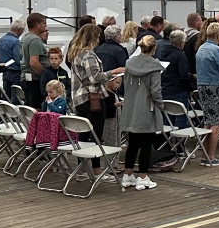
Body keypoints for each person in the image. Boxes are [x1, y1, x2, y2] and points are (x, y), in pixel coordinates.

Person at [67, 24, 124, 183]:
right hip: (93, 99)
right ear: (93, 37)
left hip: (79, 98)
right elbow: (95, 77)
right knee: (96, 136)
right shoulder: (88, 54)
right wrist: (114, 72)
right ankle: (97, 171)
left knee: (83, 136)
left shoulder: (76, 53)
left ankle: (82, 170)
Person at [120, 35, 166, 191]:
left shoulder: (129, 63)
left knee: (132, 142)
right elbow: (156, 91)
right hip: (147, 108)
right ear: (154, 48)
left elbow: (125, 85)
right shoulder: (154, 66)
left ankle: (127, 175)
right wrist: (161, 105)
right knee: (146, 144)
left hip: (131, 107)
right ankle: (143, 177)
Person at [195, 22, 219, 167]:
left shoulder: (201, 48)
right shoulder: (216, 50)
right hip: (217, 87)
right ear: (218, 35)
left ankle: (205, 154)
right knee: (216, 122)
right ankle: (211, 157)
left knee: (208, 121)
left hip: (203, 86)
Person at [160, 30, 192, 130]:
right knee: (182, 120)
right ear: (181, 42)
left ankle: (168, 143)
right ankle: (180, 144)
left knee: (168, 120)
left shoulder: (163, 53)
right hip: (178, 90)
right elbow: (183, 75)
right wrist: (189, 88)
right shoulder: (180, 55)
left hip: (165, 89)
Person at [20, 13, 50, 109]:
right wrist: (45, 75)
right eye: (44, 23)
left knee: (30, 107)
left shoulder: (25, 37)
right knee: (37, 108)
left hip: (27, 77)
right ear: (37, 25)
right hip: (35, 79)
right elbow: (34, 62)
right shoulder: (35, 40)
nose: (45, 26)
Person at [0, 18, 24, 103]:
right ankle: (15, 115)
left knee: (6, 95)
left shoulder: (1, 39)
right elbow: (17, 57)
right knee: (15, 96)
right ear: (19, 30)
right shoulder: (16, 41)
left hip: (5, 70)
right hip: (15, 71)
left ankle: (5, 114)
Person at [96, 24, 129, 91]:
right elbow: (124, 67)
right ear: (115, 37)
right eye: (120, 34)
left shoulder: (99, 48)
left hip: (103, 81)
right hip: (116, 82)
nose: (121, 36)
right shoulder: (118, 50)